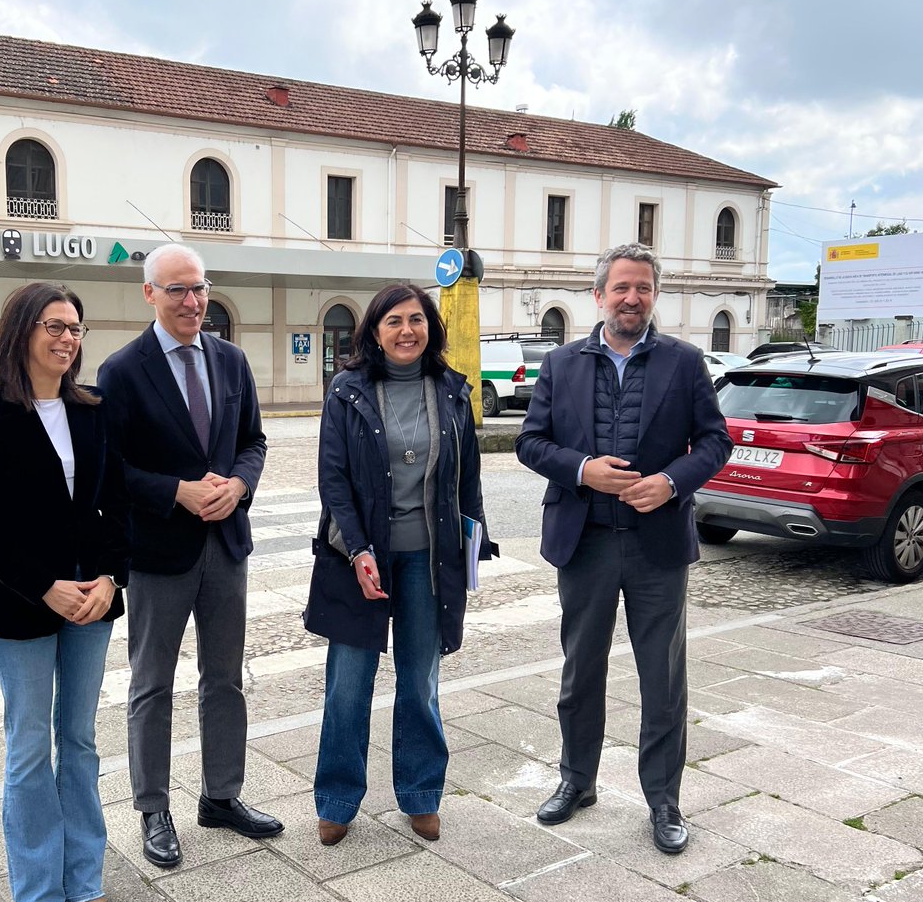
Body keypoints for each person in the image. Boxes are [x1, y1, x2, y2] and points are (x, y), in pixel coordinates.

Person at [515, 243, 731, 854]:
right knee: (581, 670)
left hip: (655, 546)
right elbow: (531, 444)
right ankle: (576, 781)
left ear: (654, 295)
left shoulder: (685, 363)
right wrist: (583, 469)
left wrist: (670, 483)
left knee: (662, 678)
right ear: (599, 296)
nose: (631, 298)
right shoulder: (561, 365)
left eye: (642, 288)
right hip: (584, 542)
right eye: (620, 288)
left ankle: (664, 801)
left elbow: (716, 443)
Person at [96, 243, 281, 869]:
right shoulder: (122, 371)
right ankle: (152, 809)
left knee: (225, 680)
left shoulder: (230, 361)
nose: (191, 301)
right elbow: (110, 471)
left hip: (226, 549)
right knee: (152, 685)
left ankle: (221, 796)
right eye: (176, 289)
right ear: (149, 293)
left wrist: (240, 484)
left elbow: (253, 440)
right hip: (158, 552)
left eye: (198, 287)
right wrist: (174, 491)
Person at [0, 282, 128, 902]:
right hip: (20, 603)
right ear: (22, 330)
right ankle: (37, 886)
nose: (67, 338)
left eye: (76, 328)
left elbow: (116, 504)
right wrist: (44, 585)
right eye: (54, 325)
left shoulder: (93, 408)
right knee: (30, 747)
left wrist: (111, 576)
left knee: (79, 741)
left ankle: (84, 873)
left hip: (92, 601)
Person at [305, 283, 495, 846]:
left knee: (420, 681)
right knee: (348, 684)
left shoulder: (451, 391)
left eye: (416, 320)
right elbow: (333, 480)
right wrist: (360, 550)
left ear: (430, 329)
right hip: (355, 556)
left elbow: (468, 480)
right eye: (394, 321)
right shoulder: (347, 391)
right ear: (375, 331)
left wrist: (474, 548)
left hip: (428, 561)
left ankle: (420, 793)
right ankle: (337, 800)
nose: (406, 330)